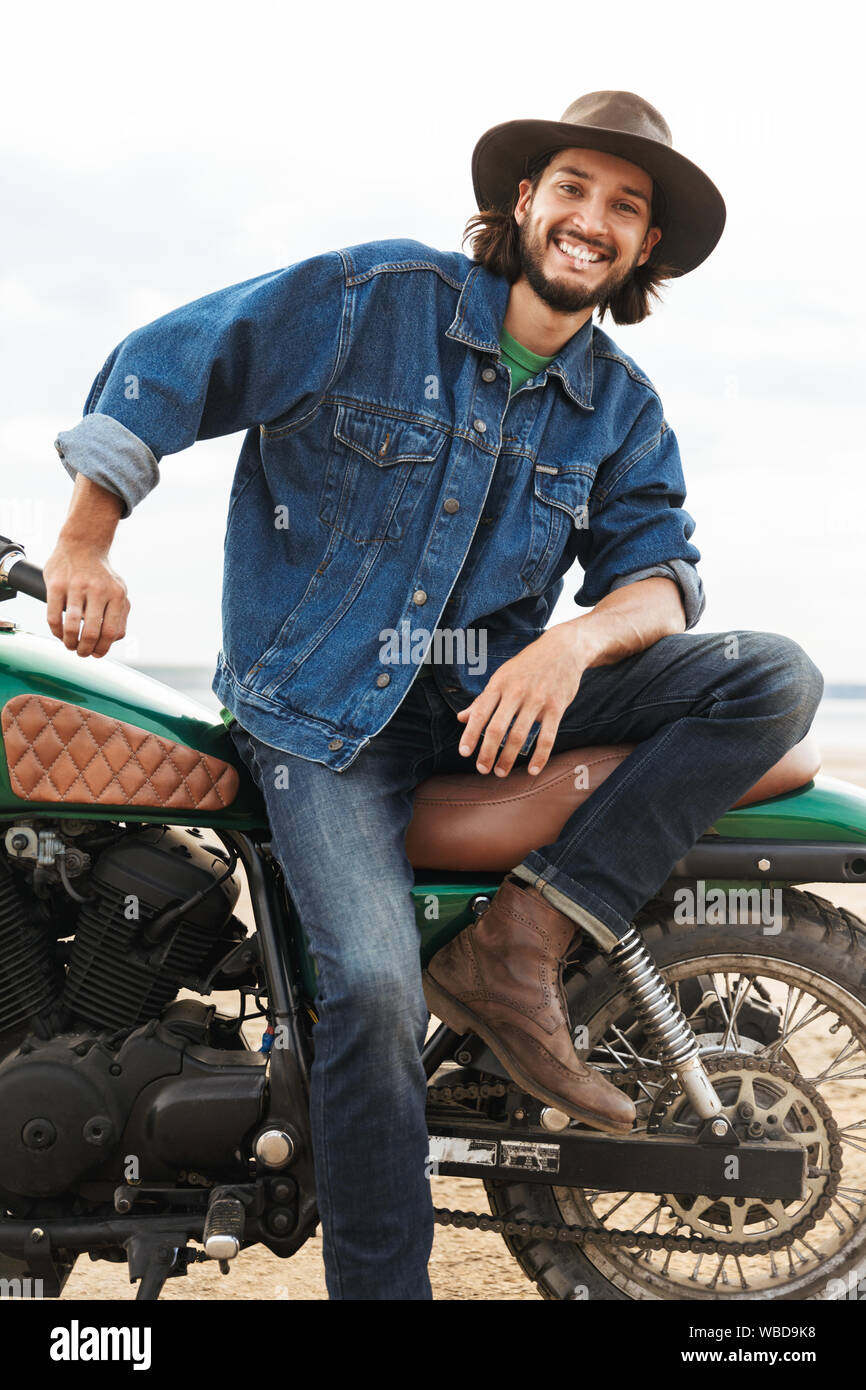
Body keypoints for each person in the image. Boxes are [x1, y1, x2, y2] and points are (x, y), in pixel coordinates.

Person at [44, 91, 824, 1299]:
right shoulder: (371, 300)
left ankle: (529, 930)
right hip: (317, 712)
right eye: (571, 188)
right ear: (522, 202)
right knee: (365, 983)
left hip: (483, 696)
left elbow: (659, 581)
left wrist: (564, 651)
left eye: (625, 207)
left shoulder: (619, 407)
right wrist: (86, 543)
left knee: (769, 675)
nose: (590, 220)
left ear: (642, 251)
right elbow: (173, 362)